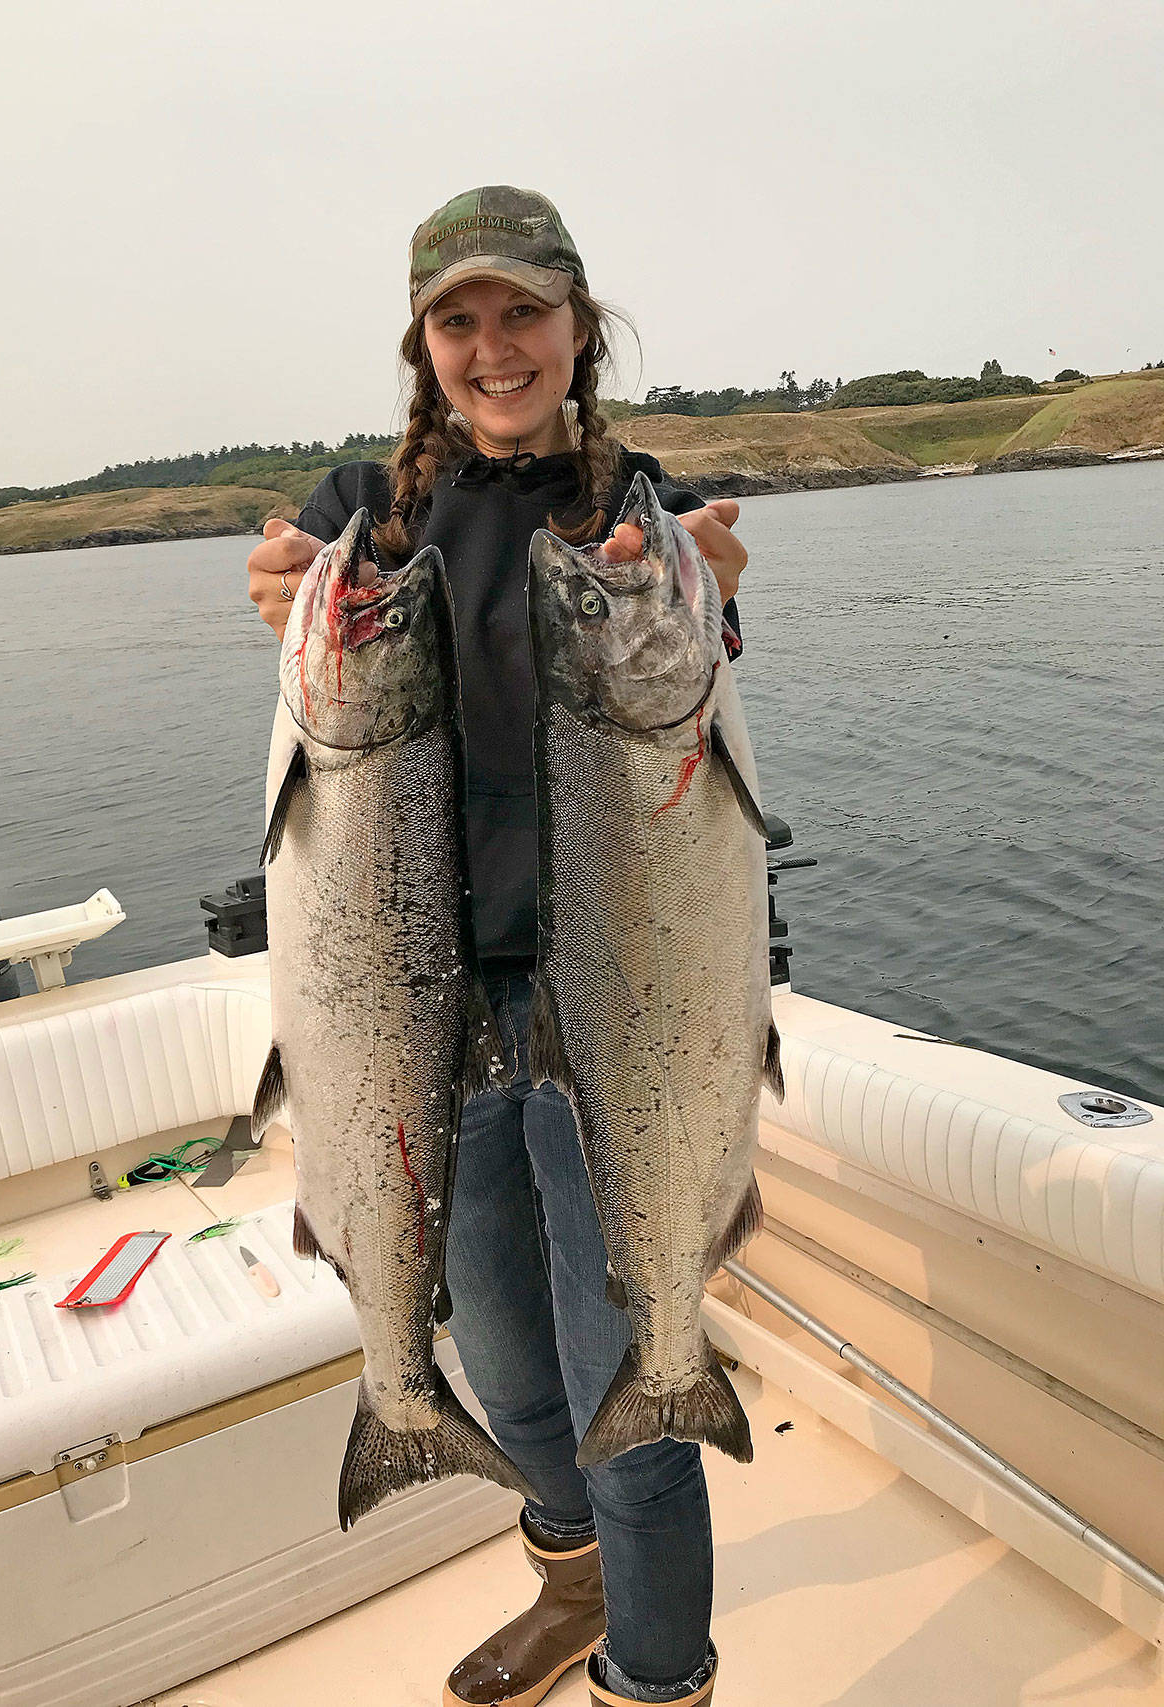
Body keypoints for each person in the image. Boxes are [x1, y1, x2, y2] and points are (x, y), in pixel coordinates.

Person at [247, 186, 749, 1707]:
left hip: (612, 1000)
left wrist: (715, 598)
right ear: (425, 347)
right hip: (412, 1013)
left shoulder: (632, 506)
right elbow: (297, 595)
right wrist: (277, 596)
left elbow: (686, 670)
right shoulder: (363, 510)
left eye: (521, 312)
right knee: (515, 1384)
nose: (494, 346)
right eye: (459, 321)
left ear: (576, 326)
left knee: (636, 1397)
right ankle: (570, 1580)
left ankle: (657, 1677)